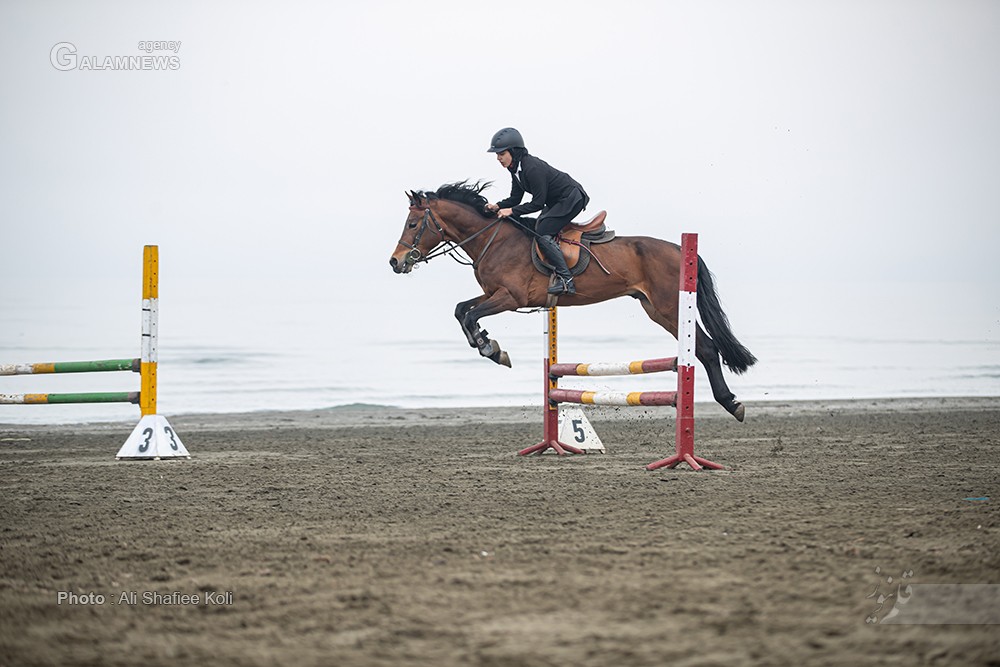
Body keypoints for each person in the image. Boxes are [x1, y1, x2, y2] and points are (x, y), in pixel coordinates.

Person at [485, 127, 589, 295]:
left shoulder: (531, 167)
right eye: (497, 155)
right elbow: (515, 199)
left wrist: (511, 211)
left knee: (542, 233)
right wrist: (497, 206)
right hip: (556, 201)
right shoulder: (515, 170)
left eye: (501, 154)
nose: (498, 158)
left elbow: (538, 203)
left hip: (571, 198)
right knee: (535, 226)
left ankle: (567, 280)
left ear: (513, 151)